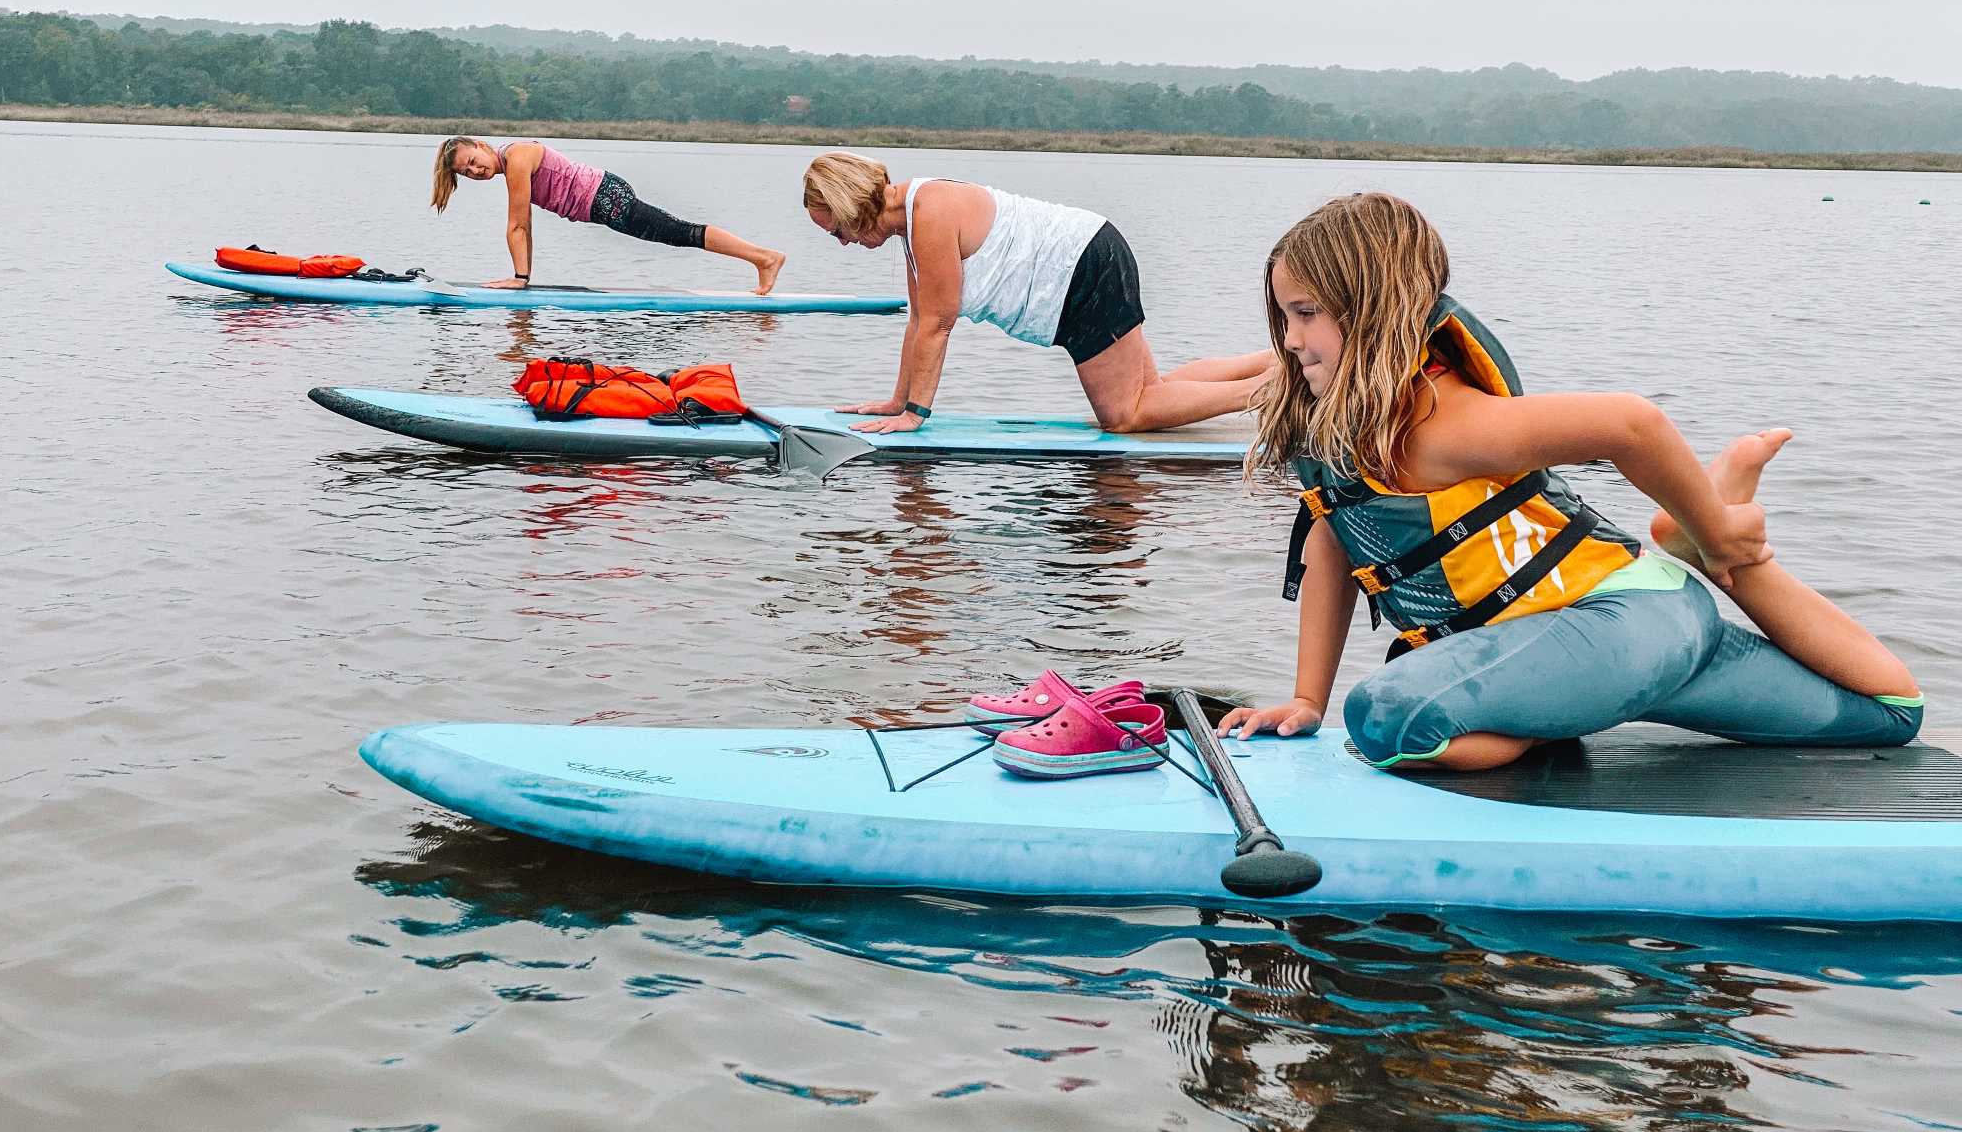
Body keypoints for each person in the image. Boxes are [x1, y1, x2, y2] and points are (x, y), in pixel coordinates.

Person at [1218, 191, 1921, 770]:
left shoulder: (1448, 424)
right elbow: (1338, 544)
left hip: (1620, 625)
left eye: (1306, 314)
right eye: (1283, 316)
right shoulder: (1342, 428)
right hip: (1624, 631)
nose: (1289, 338)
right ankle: (1695, 557)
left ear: (1373, 308)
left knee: (1386, 718)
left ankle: (1715, 548)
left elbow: (1631, 424)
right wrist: (1308, 699)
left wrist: (1714, 524)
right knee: (1891, 716)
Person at [800, 151, 1270, 433]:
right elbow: (920, 320)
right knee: (1153, 390)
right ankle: (1277, 363)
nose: (843, 243)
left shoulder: (930, 213)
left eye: (837, 230)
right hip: (1090, 256)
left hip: (1082, 270)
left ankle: (1275, 390)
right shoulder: (912, 219)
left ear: (851, 206)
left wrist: (916, 415)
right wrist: (896, 402)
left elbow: (939, 325)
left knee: (1126, 415)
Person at [432, 137, 785, 293]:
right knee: (680, 232)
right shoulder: (510, 162)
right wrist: (522, 276)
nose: (475, 171)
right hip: (604, 199)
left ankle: (764, 258)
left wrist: (520, 278)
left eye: (473, 162)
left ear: (481, 145)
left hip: (606, 198)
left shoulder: (518, 158)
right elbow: (522, 225)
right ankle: (761, 258)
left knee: (682, 232)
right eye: (466, 172)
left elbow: (518, 224)